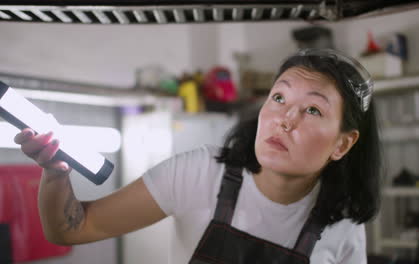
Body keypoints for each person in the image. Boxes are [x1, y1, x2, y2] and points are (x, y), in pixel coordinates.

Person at [13, 48, 381, 264]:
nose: (285, 120)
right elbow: (69, 228)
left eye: (313, 110)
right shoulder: (201, 173)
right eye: (280, 98)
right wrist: (56, 172)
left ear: (342, 144)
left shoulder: (344, 223)